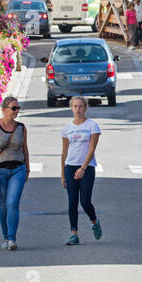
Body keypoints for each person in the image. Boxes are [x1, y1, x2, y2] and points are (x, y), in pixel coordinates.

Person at [0, 96, 29, 250]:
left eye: (18, 108)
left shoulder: (21, 127)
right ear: (4, 109)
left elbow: (25, 149)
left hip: (18, 170)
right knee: (2, 206)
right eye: (13, 108)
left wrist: (27, 168)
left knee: (12, 203)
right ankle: (5, 236)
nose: (16, 111)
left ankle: (12, 239)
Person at [60, 95, 103, 246]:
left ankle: (94, 221)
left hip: (87, 167)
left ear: (85, 108)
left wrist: (83, 168)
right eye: (75, 106)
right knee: (72, 201)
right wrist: (62, 174)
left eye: (81, 106)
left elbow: (92, 148)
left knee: (85, 201)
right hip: (70, 166)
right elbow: (64, 152)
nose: (78, 109)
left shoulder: (92, 125)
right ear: (71, 108)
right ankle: (74, 234)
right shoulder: (67, 128)